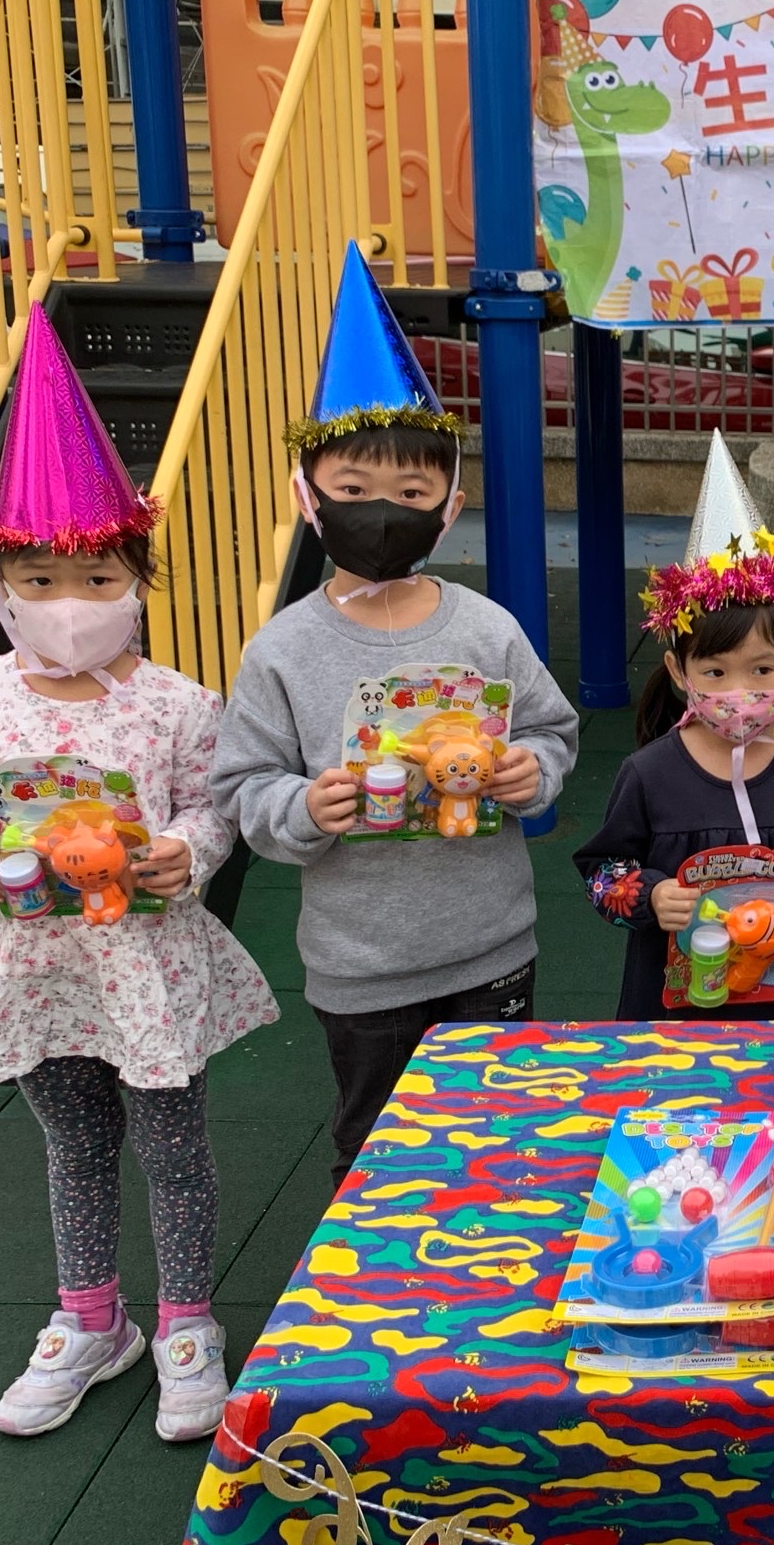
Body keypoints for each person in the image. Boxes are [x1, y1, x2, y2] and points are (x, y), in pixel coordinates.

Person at [0, 308, 279, 1442]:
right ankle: (90, 1319)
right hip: (33, 962)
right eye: (39, 576)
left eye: (96, 574)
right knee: (72, 1141)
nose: (69, 599)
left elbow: (209, 805)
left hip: (145, 961)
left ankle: (186, 1322)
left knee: (172, 1146)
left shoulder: (177, 702)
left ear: (135, 575)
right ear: (1, 580)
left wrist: (191, 851)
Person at [210, 245, 578, 1183]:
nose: (384, 511)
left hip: (490, 947)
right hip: (360, 966)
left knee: (502, 1144)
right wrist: (302, 807)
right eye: (353, 490)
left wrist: (532, 771)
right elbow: (242, 784)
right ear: (309, 496)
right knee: (377, 1153)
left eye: (412, 493)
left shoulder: (486, 628)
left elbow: (550, 729)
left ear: (449, 505)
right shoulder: (282, 649)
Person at [575, 433, 774, 1021]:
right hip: (669, 1010)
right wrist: (650, 894)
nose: (739, 691)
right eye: (715, 671)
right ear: (678, 671)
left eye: (762, 669)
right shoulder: (649, 772)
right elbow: (602, 871)